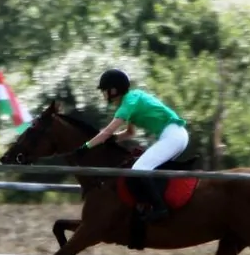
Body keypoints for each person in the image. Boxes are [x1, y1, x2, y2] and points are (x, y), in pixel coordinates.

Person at [80, 69, 189, 222]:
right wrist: (113, 139)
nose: (103, 94)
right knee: (146, 170)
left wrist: (85, 147)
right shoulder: (131, 99)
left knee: (139, 169)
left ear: (113, 90)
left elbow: (107, 131)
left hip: (173, 136)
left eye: (104, 90)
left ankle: (160, 210)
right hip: (175, 135)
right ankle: (152, 206)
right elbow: (130, 133)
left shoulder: (129, 102)